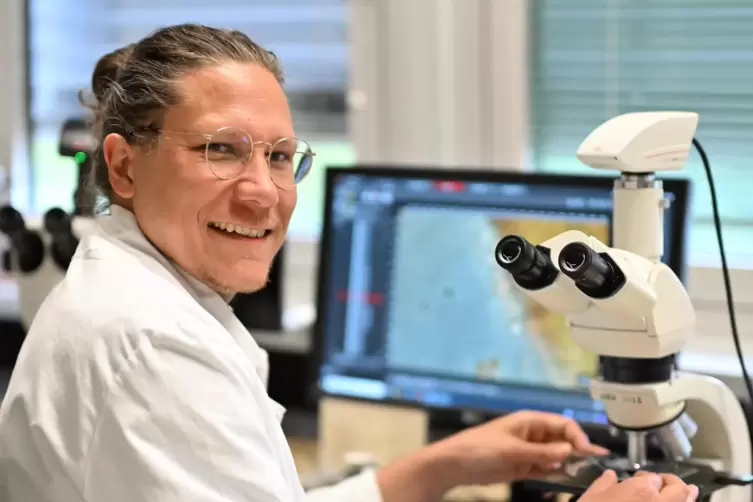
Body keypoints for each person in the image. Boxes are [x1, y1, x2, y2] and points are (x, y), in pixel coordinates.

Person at [0, 24, 697, 502]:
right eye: (219, 150)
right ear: (123, 166)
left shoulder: (145, 296)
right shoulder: (151, 344)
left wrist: (437, 468)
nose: (262, 191)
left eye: (278, 156)